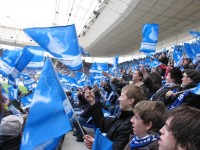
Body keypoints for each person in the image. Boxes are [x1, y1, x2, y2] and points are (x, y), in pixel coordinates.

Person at [84, 84, 145, 150]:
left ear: (130, 101)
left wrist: (97, 144)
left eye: (121, 96)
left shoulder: (131, 126)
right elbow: (102, 123)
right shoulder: (121, 115)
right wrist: (92, 101)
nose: (118, 99)